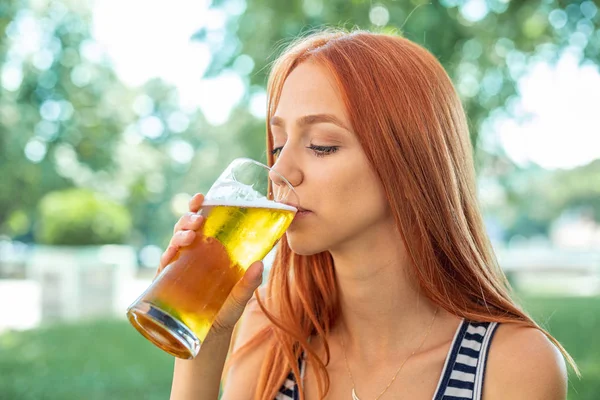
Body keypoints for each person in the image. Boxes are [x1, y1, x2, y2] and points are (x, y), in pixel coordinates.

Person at [162, 29, 576, 400]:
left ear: (409, 159)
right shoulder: (270, 337)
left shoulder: (512, 364)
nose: (281, 172)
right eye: (277, 146)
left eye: (322, 145)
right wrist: (207, 337)